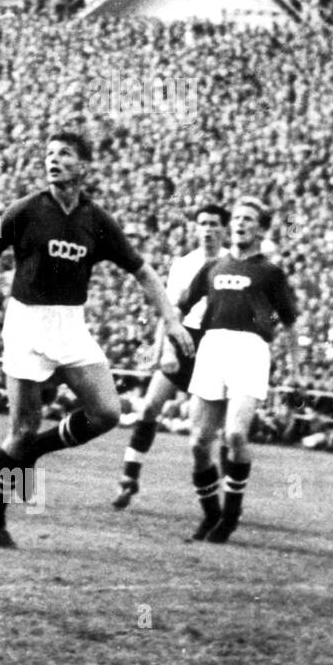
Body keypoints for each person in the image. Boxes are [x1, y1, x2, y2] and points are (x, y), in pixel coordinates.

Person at [0, 132, 193, 549]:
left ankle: (34, 453)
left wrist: (172, 322)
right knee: (22, 428)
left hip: (70, 324)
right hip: (26, 324)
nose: (53, 160)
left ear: (83, 165)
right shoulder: (22, 210)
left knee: (107, 412)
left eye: (64, 154)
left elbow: (143, 272)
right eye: (49, 154)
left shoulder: (97, 221)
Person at [178, 197, 299, 543]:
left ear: (260, 228)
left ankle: (230, 516)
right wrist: (172, 342)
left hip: (250, 349)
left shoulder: (270, 273)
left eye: (249, 219)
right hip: (213, 346)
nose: (241, 224)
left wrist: (295, 372)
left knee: (234, 436)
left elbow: (290, 325)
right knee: (199, 442)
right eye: (238, 219)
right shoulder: (213, 267)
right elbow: (181, 306)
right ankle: (211, 515)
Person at [113, 204, 229, 509]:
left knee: (216, 430)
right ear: (195, 228)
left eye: (214, 224)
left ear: (224, 230)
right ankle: (128, 478)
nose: (207, 229)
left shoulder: (232, 264)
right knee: (150, 405)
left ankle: (229, 495)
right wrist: (163, 349)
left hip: (217, 343)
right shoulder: (183, 264)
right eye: (202, 223)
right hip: (183, 338)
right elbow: (168, 310)